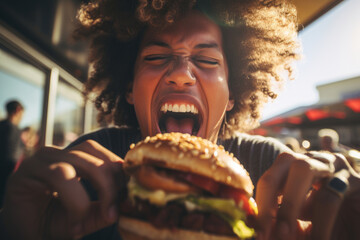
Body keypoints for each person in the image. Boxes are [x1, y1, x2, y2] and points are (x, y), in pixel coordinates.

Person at [1, 1, 359, 239]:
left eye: (206, 60)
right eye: (156, 57)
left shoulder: (272, 169)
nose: (181, 74)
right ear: (129, 89)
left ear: (232, 93)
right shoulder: (86, 168)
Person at [0, 100, 24, 208]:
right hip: (7, 176)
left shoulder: (2, 126)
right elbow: (11, 157)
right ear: (18, 110)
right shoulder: (13, 129)